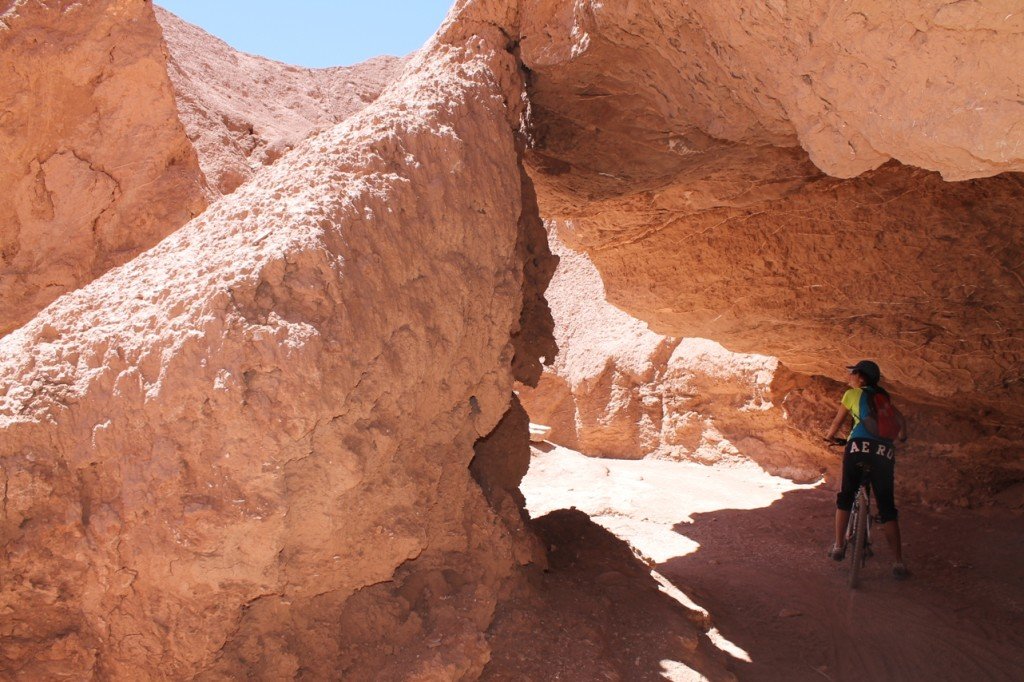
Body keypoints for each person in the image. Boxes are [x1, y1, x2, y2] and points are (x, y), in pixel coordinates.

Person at [823, 360, 910, 579]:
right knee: (887, 508)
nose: (850, 376)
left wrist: (829, 437)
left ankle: (839, 545)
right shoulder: (883, 398)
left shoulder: (852, 395)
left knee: (846, 496)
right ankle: (898, 562)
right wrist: (902, 437)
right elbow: (900, 421)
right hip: (884, 452)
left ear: (861, 377)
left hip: (858, 447)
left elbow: (837, 422)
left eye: (853, 373)